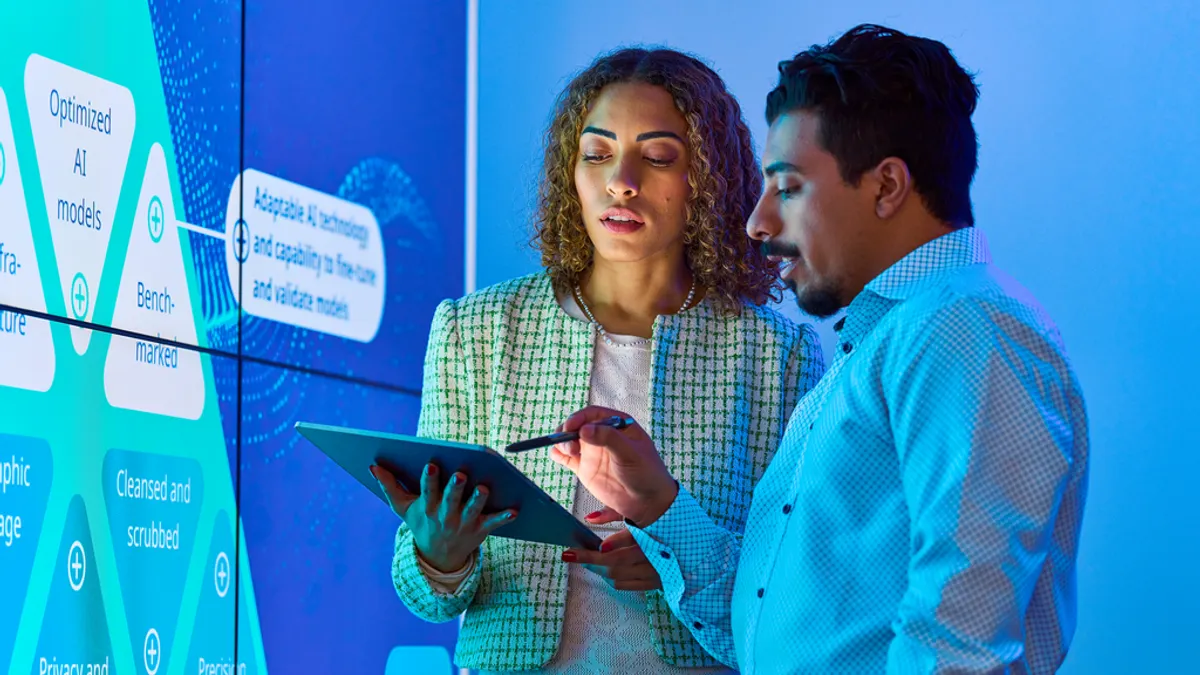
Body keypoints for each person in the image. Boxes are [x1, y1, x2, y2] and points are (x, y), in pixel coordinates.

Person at [552, 24, 1090, 674]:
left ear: (887, 186)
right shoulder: (882, 346)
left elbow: (957, 652)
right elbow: (763, 629)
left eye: (789, 186)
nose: (758, 221)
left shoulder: (963, 331)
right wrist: (656, 506)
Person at [370, 47, 825, 674]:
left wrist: (676, 560)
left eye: (658, 157)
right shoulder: (475, 330)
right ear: (571, 172)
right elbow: (421, 593)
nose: (622, 181)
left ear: (707, 178)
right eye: (597, 154)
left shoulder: (777, 356)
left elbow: (800, 587)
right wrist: (439, 554)